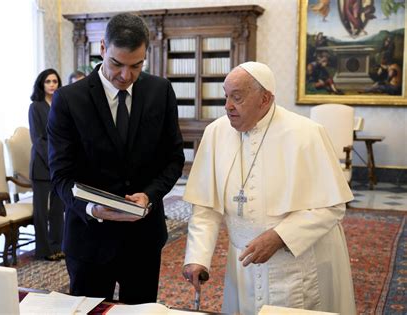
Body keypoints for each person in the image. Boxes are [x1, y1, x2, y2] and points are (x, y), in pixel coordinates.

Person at [182, 62, 356, 315]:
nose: (227, 106)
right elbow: (205, 206)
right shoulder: (215, 133)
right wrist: (197, 257)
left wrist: (279, 236)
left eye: (237, 97)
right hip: (244, 265)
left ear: (265, 99)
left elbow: (332, 207)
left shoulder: (306, 134)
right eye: (226, 96)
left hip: (295, 263)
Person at [47, 13, 184, 304]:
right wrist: (92, 208)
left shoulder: (160, 92)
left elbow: (173, 159)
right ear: (102, 49)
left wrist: (149, 195)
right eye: (117, 64)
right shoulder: (69, 100)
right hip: (89, 240)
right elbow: (60, 175)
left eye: (136, 66)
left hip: (144, 239)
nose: (126, 75)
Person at [28, 68, 65, 261]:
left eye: (55, 81)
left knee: (58, 210)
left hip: (59, 165)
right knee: (42, 212)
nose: (52, 85)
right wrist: (53, 159)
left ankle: (57, 246)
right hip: (42, 166)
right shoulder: (35, 107)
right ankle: (43, 250)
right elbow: (38, 139)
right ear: (42, 84)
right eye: (48, 81)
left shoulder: (60, 105)